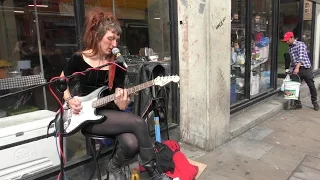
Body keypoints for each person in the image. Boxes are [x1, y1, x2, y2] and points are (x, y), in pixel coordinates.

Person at [60, 9, 170, 180]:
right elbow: (61, 81)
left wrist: (122, 101)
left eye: (116, 39)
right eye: (110, 38)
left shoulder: (118, 65)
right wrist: (69, 99)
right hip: (87, 116)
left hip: (111, 113)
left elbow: (121, 106)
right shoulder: (79, 59)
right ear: (97, 36)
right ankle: (154, 172)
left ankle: (113, 166)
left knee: (132, 144)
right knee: (139, 122)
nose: (114, 44)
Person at [282, 31, 319, 111]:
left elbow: (301, 58)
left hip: (305, 68)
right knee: (295, 86)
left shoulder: (300, 44)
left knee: (311, 85)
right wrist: (290, 69)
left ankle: (315, 102)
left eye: (288, 40)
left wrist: (297, 68)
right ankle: (297, 103)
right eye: (286, 41)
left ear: (292, 38)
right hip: (296, 69)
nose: (287, 42)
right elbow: (293, 60)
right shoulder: (290, 48)